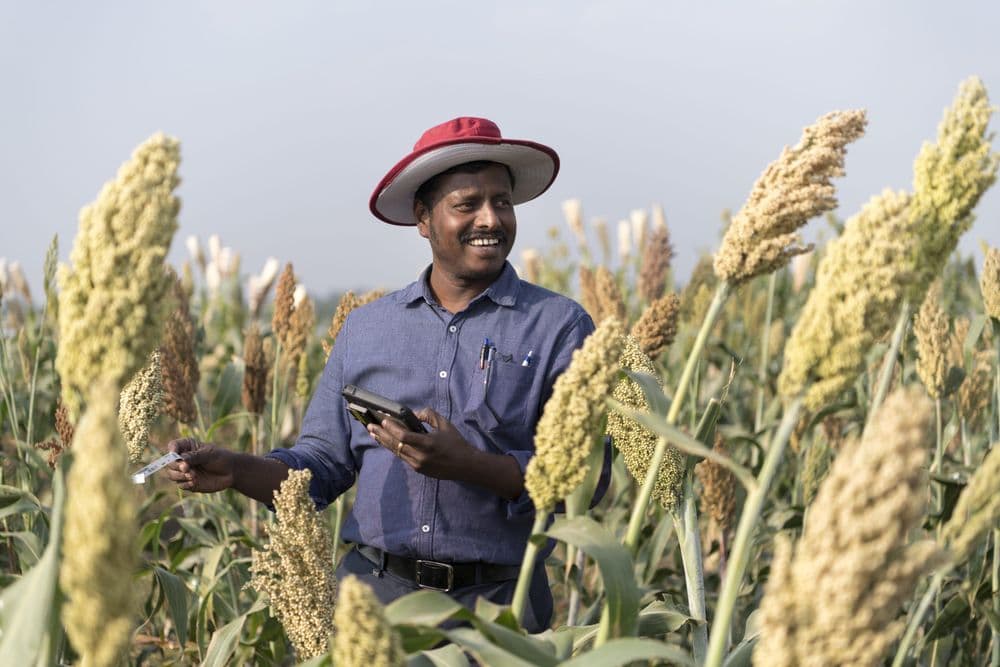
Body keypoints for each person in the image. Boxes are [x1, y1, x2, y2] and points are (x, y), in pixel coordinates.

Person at [167, 117, 604, 632]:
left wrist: (470, 465)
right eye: (468, 204)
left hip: (501, 614)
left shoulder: (559, 326)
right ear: (423, 218)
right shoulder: (367, 329)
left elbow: (588, 479)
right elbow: (321, 468)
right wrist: (236, 469)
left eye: (502, 202)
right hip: (375, 606)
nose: (491, 218)